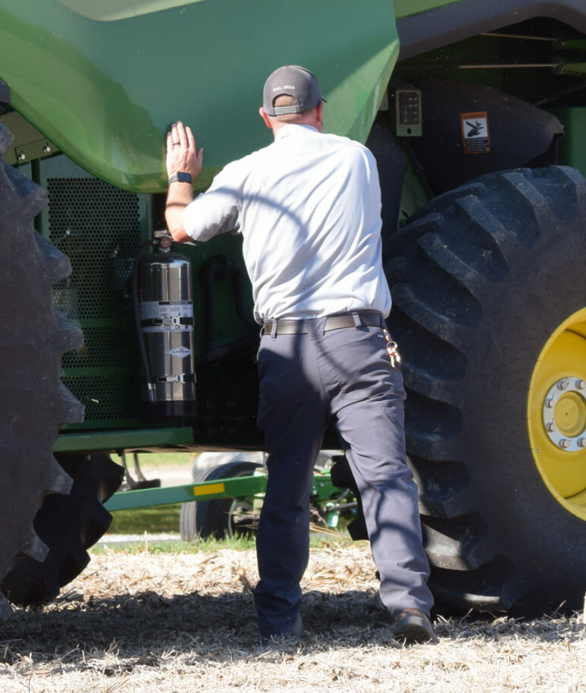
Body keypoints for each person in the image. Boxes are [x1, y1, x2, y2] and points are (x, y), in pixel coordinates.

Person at [163, 64, 435, 646]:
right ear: (320, 111)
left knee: (287, 487)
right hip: (358, 340)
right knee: (385, 477)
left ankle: (281, 622)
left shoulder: (244, 173)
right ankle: (409, 607)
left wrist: (181, 178)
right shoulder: (356, 159)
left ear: (266, 118)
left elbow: (182, 229)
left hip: (286, 348)